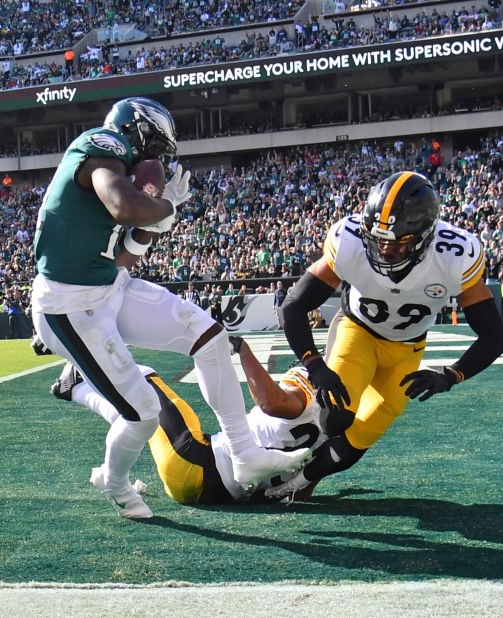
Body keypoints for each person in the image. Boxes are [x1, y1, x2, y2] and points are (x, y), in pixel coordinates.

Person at [31, 97, 310, 520]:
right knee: (143, 414)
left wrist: (155, 217)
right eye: (157, 146)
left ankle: (245, 452)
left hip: (109, 286)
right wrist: (163, 208)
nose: (159, 160)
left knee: (212, 338)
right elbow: (125, 206)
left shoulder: (119, 167)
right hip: (71, 304)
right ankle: (115, 482)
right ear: (137, 130)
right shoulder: (102, 143)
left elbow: (122, 258)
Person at [270, 171, 503, 499]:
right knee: (335, 416)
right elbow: (293, 306)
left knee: (363, 434)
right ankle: (283, 448)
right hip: (358, 331)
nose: (384, 249)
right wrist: (314, 366)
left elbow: (494, 336)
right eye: (378, 239)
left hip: (406, 350)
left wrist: (452, 375)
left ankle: (304, 479)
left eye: (396, 242)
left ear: (424, 235)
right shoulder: (350, 240)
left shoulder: (454, 255)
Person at [50, 335, 327, 504]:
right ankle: (75, 388)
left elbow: (272, 402)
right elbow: (301, 491)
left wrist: (243, 350)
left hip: (195, 459)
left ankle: (77, 352)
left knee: (145, 381)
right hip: (218, 495)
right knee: (139, 420)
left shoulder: (306, 386)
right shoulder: (339, 430)